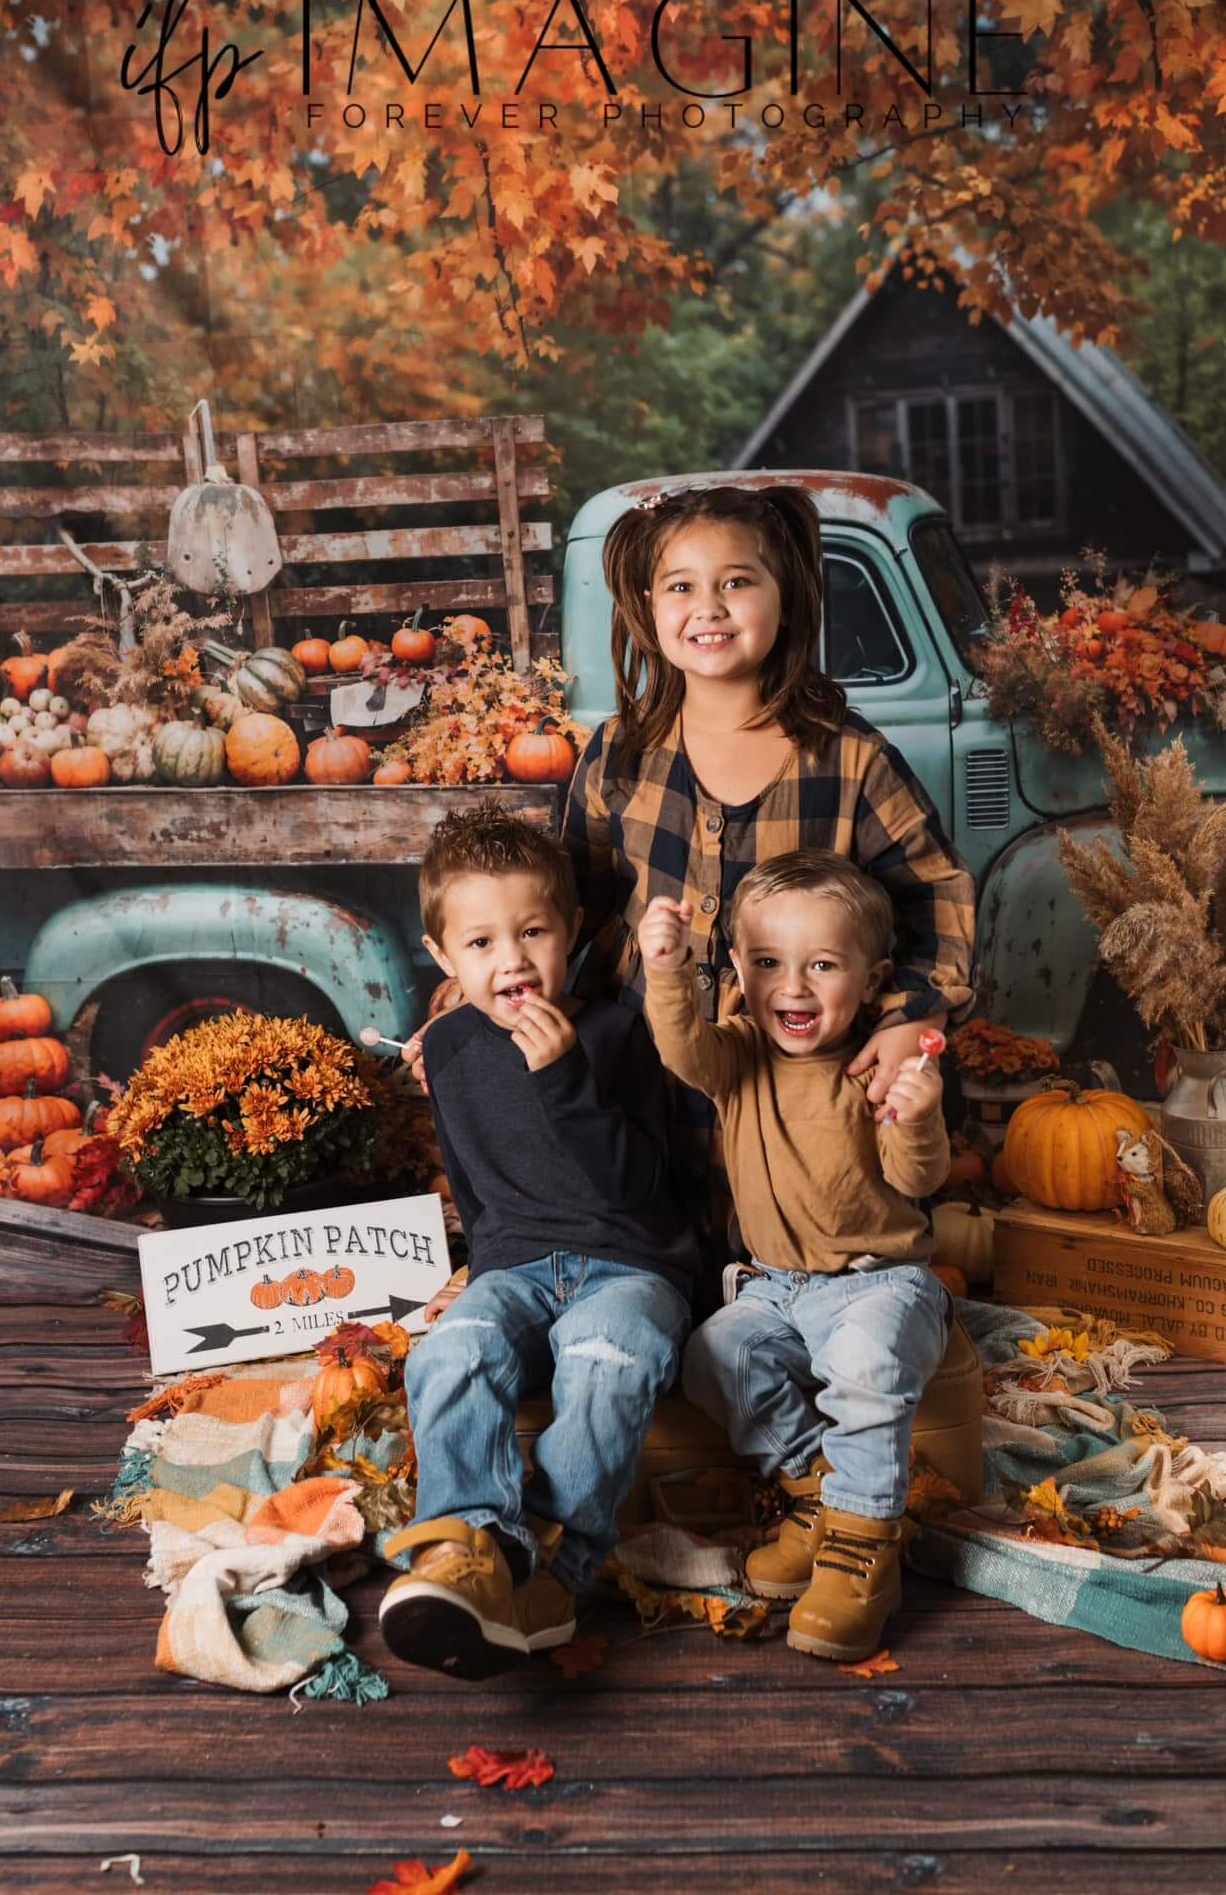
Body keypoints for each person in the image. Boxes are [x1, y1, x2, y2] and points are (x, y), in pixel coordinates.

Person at [560, 481, 977, 1278]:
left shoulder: (848, 759)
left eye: (737, 582)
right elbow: (572, 908)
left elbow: (936, 901)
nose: (708, 607)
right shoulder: (619, 755)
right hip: (653, 1078)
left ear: (785, 598)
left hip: (801, 1100)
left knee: (796, 1290)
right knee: (668, 1286)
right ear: (647, 608)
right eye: (681, 586)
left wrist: (906, 1020)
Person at [381, 802, 697, 1680]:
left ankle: (555, 1569)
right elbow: (476, 1186)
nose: (511, 961)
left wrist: (563, 1081)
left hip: (630, 1264)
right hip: (516, 1265)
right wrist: (483, 1280)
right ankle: (470, 1548)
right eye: (479, 944)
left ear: (574, 933)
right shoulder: (444, 1048)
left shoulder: (613, 1034)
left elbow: (637, 1186)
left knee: (609, 1356)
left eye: (532, 933)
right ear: (442, 957)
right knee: (451, 1353)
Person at [638, 850, 953, 1663]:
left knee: (864, 1364)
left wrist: (917, 1115)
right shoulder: (736, 1054)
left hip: (881, 1283)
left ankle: (861, 1554)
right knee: (713, 1355)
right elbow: (680, 1053)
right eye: (771, 964)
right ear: (740, 970)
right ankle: (817, 1495)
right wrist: (667, 970)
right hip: (776, 1287)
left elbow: (917, 1179)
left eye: (822, 966)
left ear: (872, 976)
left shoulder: (871, 1065)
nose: (796, 989)